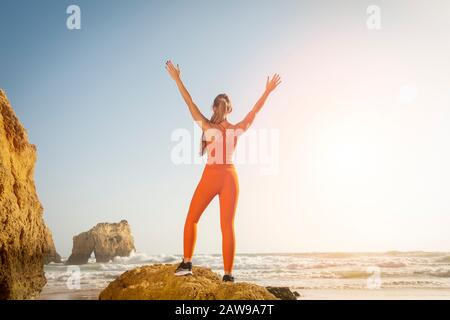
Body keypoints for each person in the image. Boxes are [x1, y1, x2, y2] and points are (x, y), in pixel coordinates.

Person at [165, 60, 281, 282]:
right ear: (229, 109)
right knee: (227, 226)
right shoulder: (237, 129)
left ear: (214, 108)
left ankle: (187, 263)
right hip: (231, 177)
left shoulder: (207, 127)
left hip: (212, 176)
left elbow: (188, 101)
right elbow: (254, 111)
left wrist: (177, 78)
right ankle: (228, 276)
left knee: (192, 219)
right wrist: (267, 91)